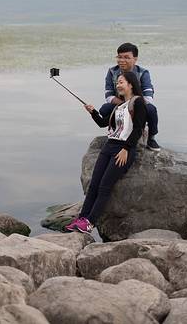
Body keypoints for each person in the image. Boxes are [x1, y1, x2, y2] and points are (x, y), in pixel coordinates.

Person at [65, 71, 147, 234]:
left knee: (104, 187)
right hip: (109, 146)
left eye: (121, 82)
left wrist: (126, 149)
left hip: (122, 149)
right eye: (117, 82)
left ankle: (90, 223)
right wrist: (93, 112)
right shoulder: (119, 106)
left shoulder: (138, 102)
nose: (118, 85)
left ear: (131, 84)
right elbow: (103, 123)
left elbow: (138, 129)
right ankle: (81, 219)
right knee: (94, 185)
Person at [99, 42, 161, 152]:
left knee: (151, 110)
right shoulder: (112, 72)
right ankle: (118, 131)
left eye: (126, 57)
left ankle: (151, 138)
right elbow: (108, 95)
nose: (122, 60)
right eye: (119, 57)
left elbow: (148, 97)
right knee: (104, 109)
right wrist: (123, 105)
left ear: (135, 59)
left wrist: (132, 104)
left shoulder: (143, 73)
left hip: (138, 105)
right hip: (119, 104)